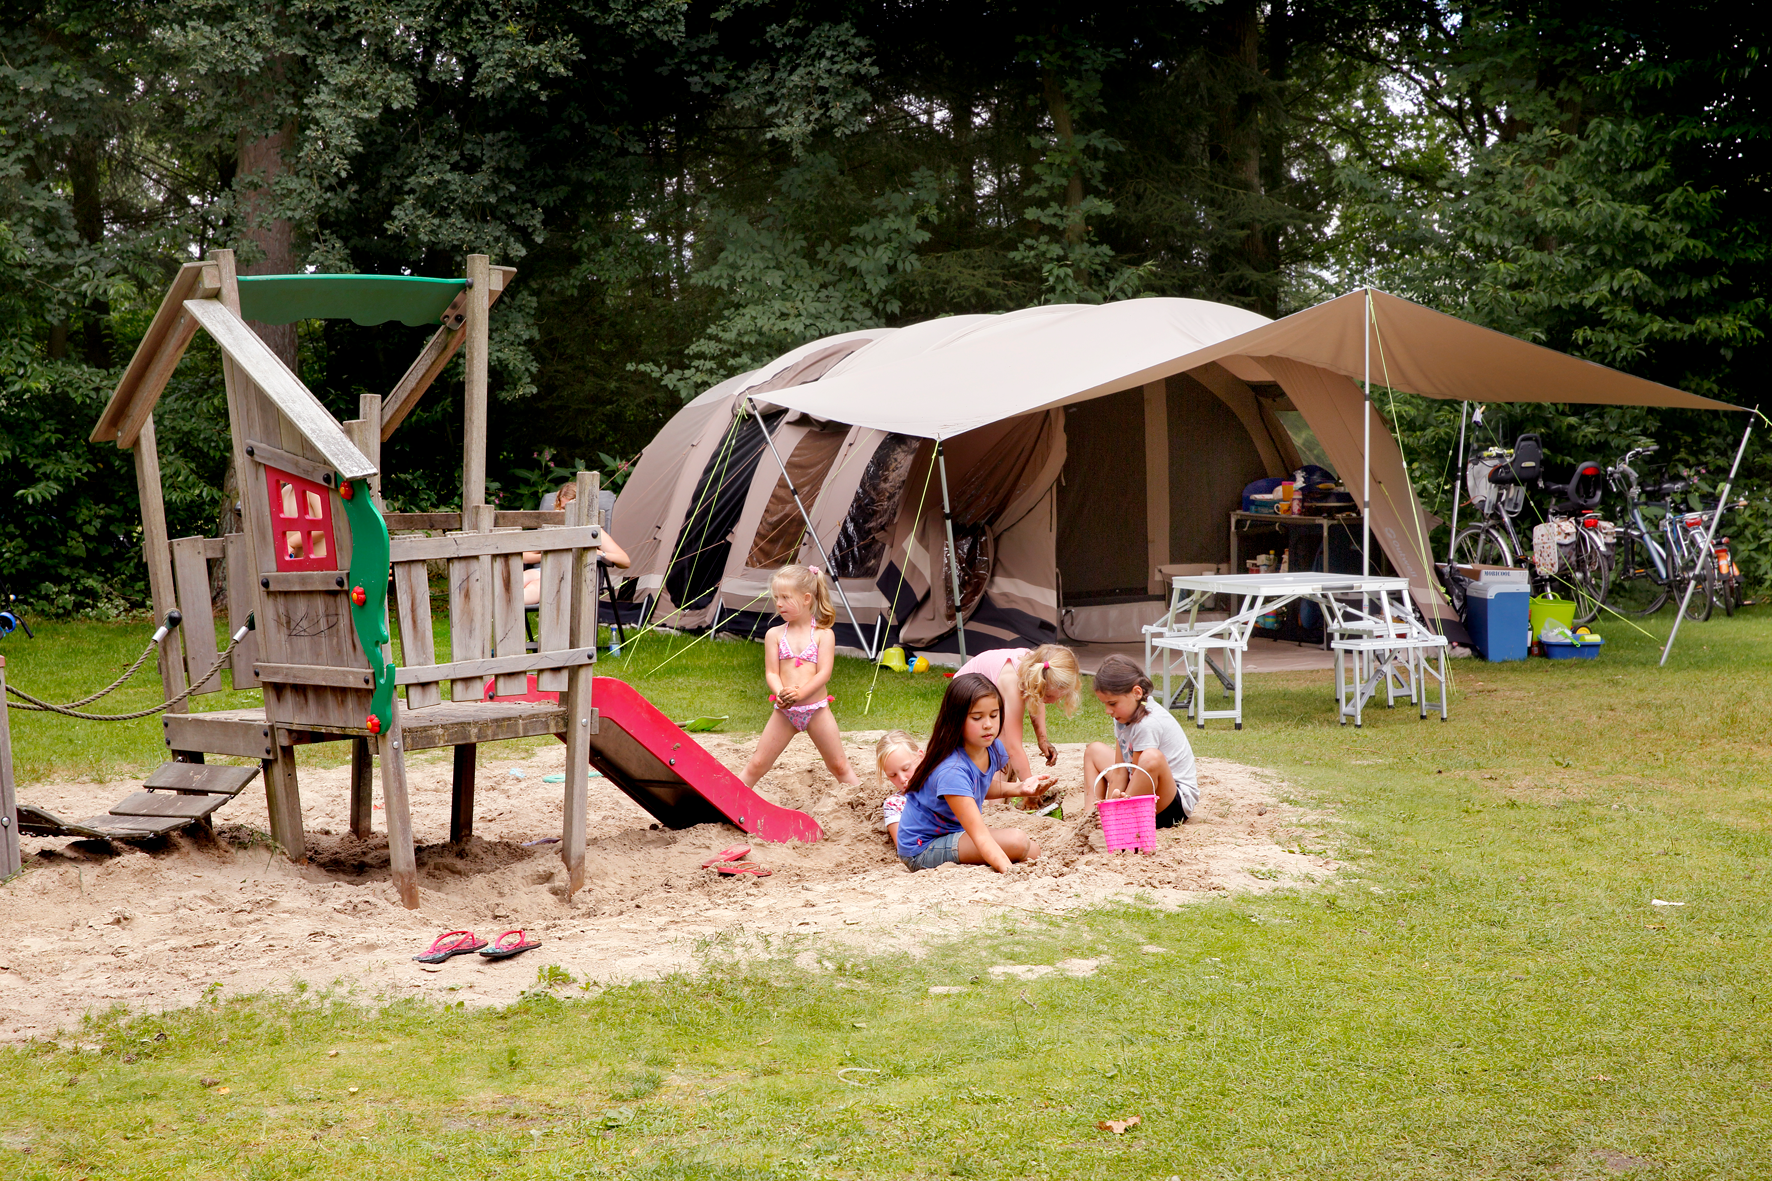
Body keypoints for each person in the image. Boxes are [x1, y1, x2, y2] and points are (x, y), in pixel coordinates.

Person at [896, 672, 1046, 872]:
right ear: (956, 719)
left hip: (955, 834)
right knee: (1017, 842)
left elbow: (975, 787)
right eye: (977, 717)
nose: (988, 724)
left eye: (994, 715)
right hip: (923, 848)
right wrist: (1010, 873)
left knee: (1033, 850)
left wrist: (1020, 788)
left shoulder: (992, 748)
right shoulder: (952, 771)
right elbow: (980, 835)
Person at [739, 564, 861, 788]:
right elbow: (772, 672)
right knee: (757, 763)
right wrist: (781, 694)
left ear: (806, 599)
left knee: (839, 765)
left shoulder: (823, 634)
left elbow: (824, 673)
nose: (779, 603)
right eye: (776, 597)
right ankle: (726, 799)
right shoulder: (774, 634)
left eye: (786, 597)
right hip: (785, 712)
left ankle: (864, 799)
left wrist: (801, 694)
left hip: (816, 711)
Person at [1082, 654, 1198, 828]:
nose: (1108, 711)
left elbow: (1140, 774)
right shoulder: (1122, 717)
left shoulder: (1148, 723)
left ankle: (1118, 818)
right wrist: (1110, 803)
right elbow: (1120, 771)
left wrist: (1115, 811)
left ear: (1137, 693)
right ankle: (1089, 818)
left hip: (1171, 804)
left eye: (1112, 703)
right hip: (1138, 787)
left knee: (1151, 758)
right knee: (1094, 750)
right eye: (1105, 704)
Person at [950, 644, 1080, 791]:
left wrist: (1042, 739)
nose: (1051, 701)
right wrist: (1032, 789)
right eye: (1048, 696)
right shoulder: (1013, 682)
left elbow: (1036, 697)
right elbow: (1013, 748)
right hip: (964, 696)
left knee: (1006, 750)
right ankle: (997, 803)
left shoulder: (1041, 667)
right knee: (1002, 748)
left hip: (985, 697)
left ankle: (1006, 795)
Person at [524, 481, 631, 606]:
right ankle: (506, 606)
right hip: (547, 568)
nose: (566, 513)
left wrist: (599, 553)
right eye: (563, 508)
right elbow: (525, 556)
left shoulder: (592, 531)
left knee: (536, 585)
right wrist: (547, 555)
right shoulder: (553, 528)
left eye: (571, 509)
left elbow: (625, 561)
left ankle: (508, 606)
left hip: (574, 575)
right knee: (518, 579)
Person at [875, 730, 924, 846]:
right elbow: (904, 846)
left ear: (921, 756)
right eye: (893, 775)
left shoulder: (942, 783)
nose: (902, 779)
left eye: (906, 768)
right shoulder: (894, 805)